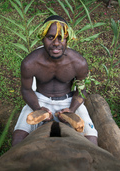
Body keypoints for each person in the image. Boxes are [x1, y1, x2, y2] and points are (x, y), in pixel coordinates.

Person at [12, 15, 98, 146]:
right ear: (43, 38)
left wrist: (72, 109)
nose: (56, 43)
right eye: (50, 37)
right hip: (39, 100)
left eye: (61, 38)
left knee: (91, 140)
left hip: (69, 101)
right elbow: (26, 89)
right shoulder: (30, 63)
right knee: (17, 140)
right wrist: (39, 109)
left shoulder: (79, 63)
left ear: (67, 39)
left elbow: (81, 91)